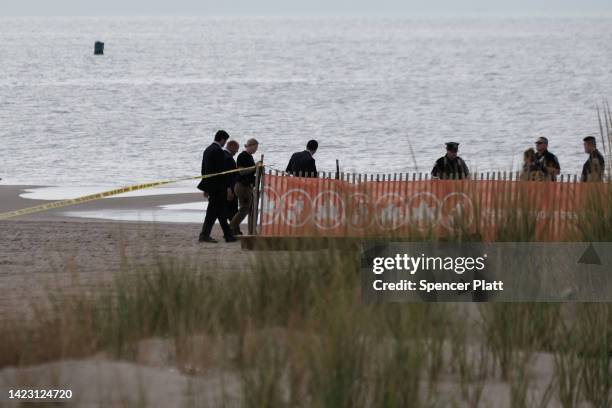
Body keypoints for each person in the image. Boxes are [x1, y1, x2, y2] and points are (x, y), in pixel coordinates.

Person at [197, 130, 236, 243]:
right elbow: (221, 171)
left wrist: (205, 187)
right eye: (225, 141)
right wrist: (228, 187)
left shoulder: (207, 150)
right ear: (222, 139)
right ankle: (205, 235)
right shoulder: (218, 151)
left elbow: (203, 170)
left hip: (211, 186)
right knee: (214, 212)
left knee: (219, 212)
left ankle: (227, 235)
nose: (225, 143)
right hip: (218, 187)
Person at [230, 138, 259, 235]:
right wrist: (255, 167)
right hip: (242, 186)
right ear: (249, 146)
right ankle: (231, 227)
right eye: (255, 147)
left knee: (250, 209)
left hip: (247, 186)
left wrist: (256, 168)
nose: (256, 150)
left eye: (257, 148)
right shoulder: (242, 156)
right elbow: (241, 172)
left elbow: (251, 172)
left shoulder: (250, 156)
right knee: (244, 209)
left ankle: (251, 231)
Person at [223, 140, 240, 222]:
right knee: (232, 210)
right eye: (236, 149)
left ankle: (233, 230)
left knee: (230, 210)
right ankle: (234, 230)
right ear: (231, 147)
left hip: (228, 187)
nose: (237, 151)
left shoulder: (224, 155)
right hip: (230, 188)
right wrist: (229, 189)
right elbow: (227, 175)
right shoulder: (228, 158)